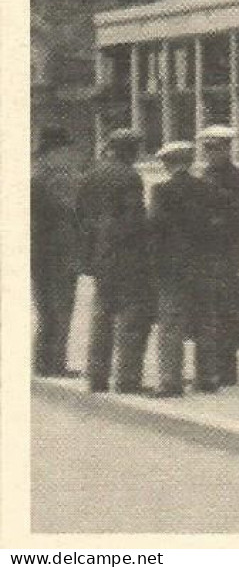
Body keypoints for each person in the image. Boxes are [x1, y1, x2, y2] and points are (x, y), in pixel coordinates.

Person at [79, 127, 152, 394]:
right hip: (127, 256)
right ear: (129, 150)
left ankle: (97, 377)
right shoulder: (129, 177)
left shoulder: (91, 175)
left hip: (100, 256)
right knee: (132, 317)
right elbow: (134, 220)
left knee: (102, 315)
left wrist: (89, 254)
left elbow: (81, 217)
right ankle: (127, 379)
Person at [149, 140, 220, 397]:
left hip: (172, 267)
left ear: (167, 164)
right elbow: (217, 224)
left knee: (171, 324)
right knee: (205, 321)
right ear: (189, 163)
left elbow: (155, 227)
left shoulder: (161, 191)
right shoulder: (207, 189)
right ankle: (207, 377)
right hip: (203, 264)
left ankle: (171, 381)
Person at [197, 125, 239, 386]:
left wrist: (221, 219)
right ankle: (208, 372)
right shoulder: (202, 178)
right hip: (205, 255)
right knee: (206, 315)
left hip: (226, 255)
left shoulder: (238, 180)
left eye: (217, 149)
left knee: (224, 315)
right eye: (208, 149)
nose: (212, 154)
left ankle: (225, 372)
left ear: (227, 150)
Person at [32, 125, 83, 377]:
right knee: (58, 309)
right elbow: (69, 211)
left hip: (42, 254)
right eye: (65, 151)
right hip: (55, 254)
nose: (69, 156)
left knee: (49, 310)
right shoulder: (50, 179)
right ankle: (53, 364)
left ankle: (45, 363)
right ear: (53, 152)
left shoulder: (38, 176)